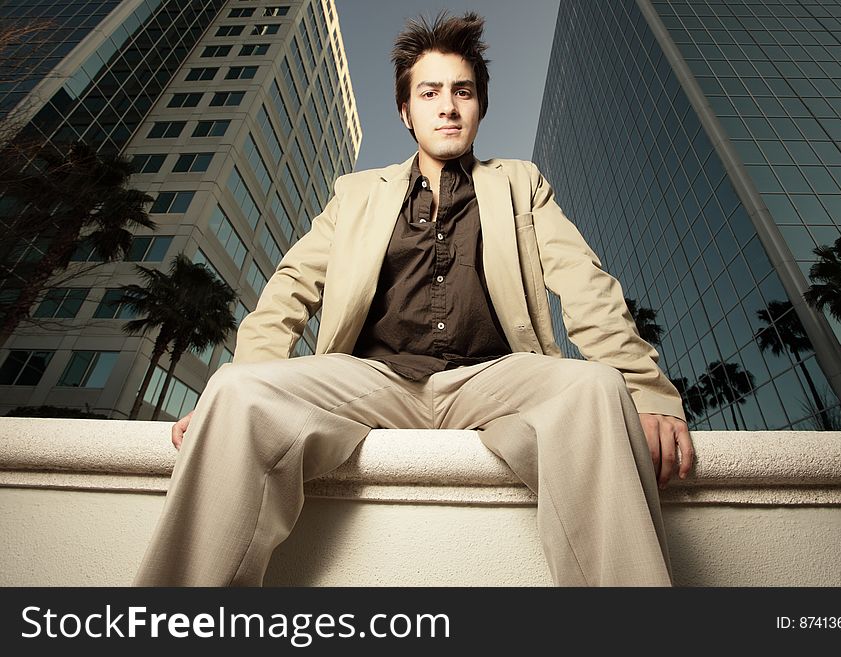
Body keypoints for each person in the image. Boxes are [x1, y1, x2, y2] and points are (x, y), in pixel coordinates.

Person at [134, 12, 694, 587]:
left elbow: (586, 287)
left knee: (596, 387)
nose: (447, 106)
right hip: (373, 382)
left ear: (479, 106)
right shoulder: (355, 195)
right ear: (406, 111)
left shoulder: (520, 183)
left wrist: (647, 391)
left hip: (492, 381)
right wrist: (224, 405)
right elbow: (290, 289)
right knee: (235, 387)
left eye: (462, 92)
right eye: (429, 93)